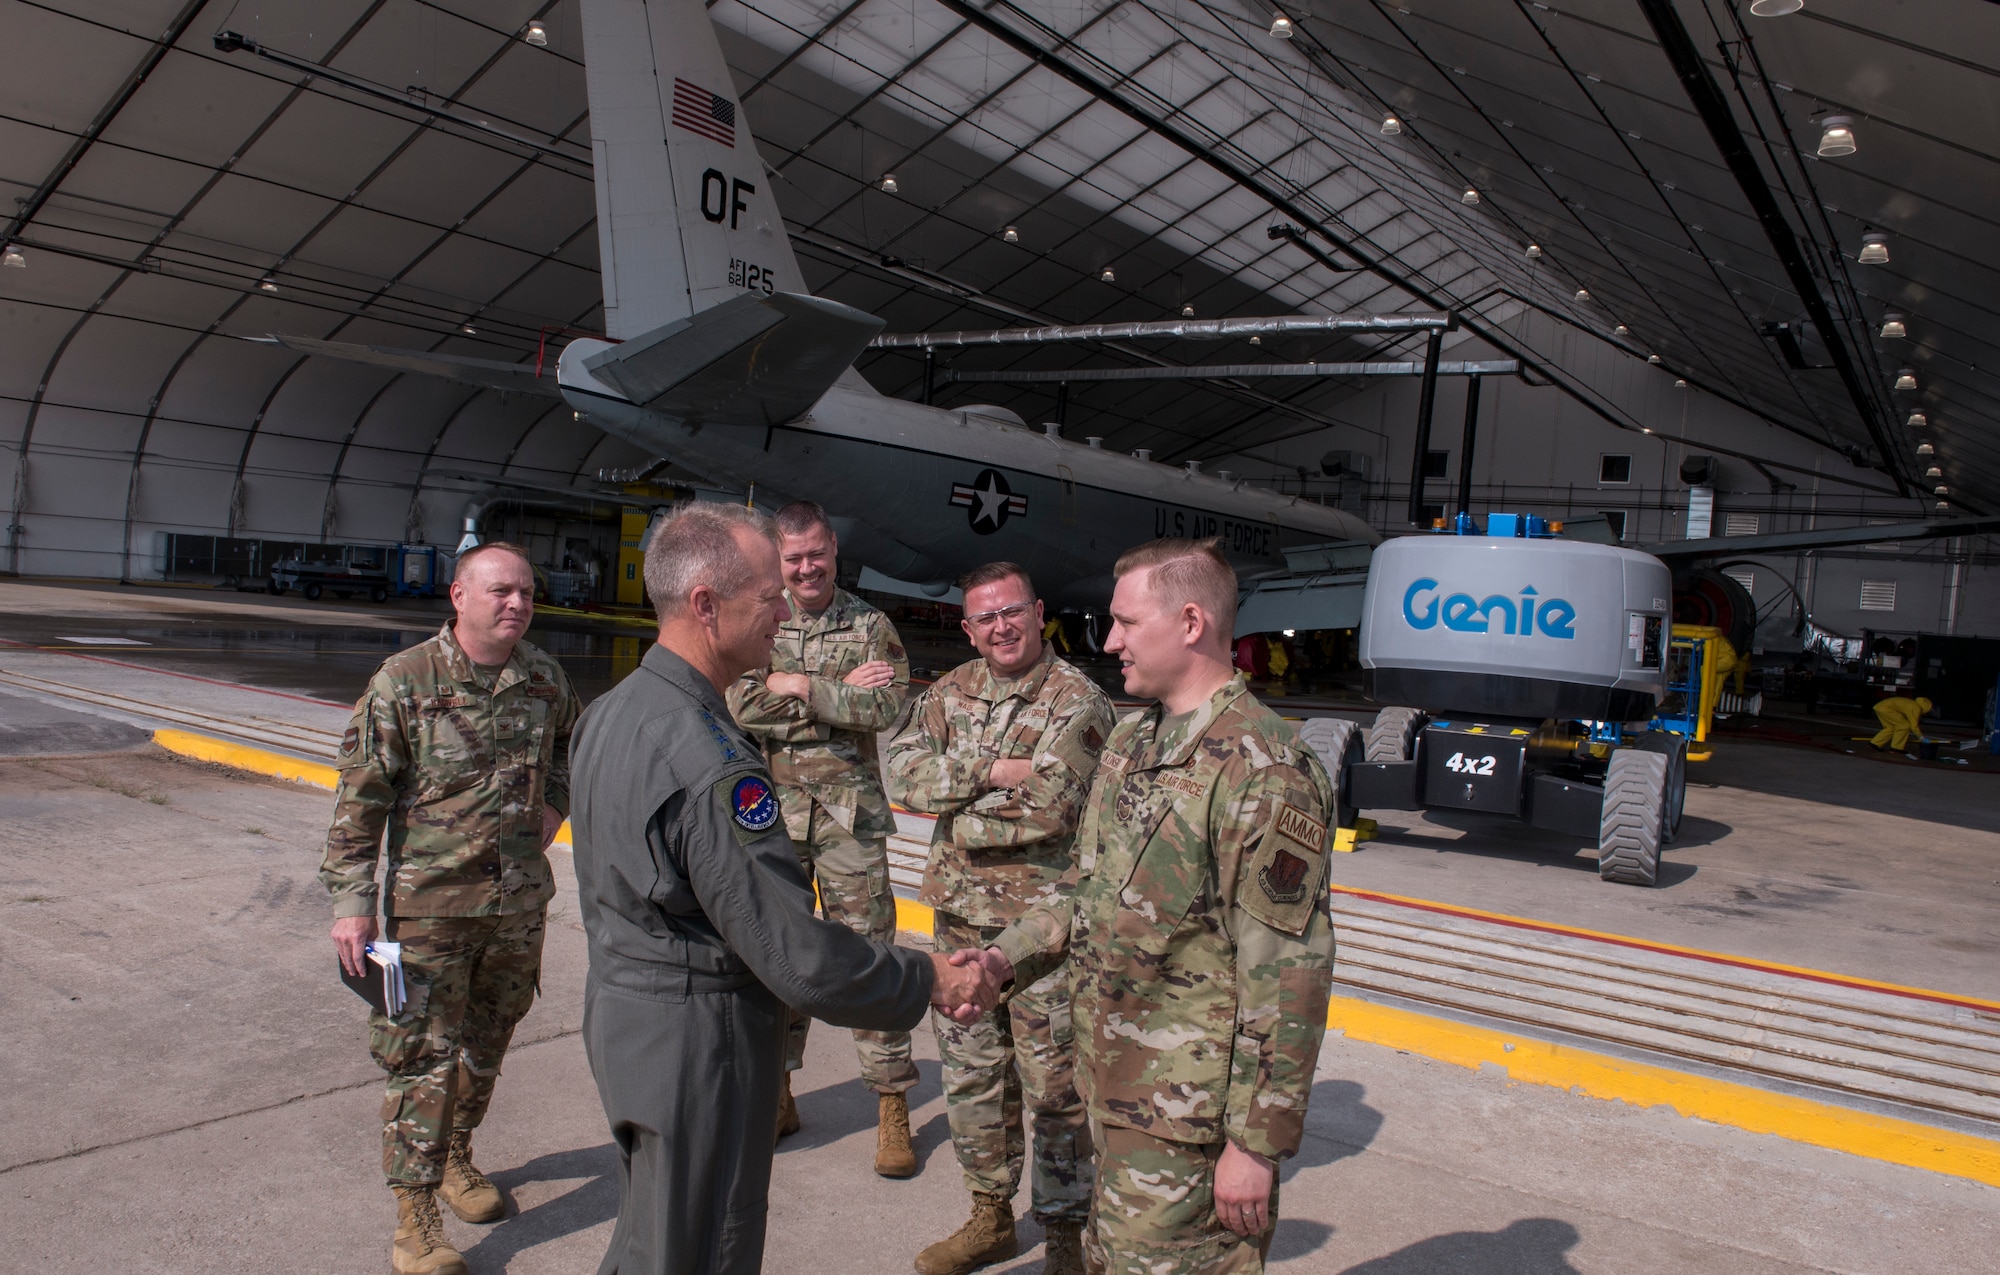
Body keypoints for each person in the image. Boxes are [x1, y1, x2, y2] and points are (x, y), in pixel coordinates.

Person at [568, 501, 997, 1275]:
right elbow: (797, 956)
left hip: (626, 1022)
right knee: (701, 1248)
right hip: (700, 1043)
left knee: (651, 1235)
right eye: (767, 596)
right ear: (706, 604)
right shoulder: (713, 762)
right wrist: (925, 974)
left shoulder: (607, 714)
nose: (782, 611)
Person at [963, 538, 1340, 1275]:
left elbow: (1287, 974)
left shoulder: (1265, 769)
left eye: (1127, 623)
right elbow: (1086, 889)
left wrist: (1255, 1145)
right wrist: (1005, 954)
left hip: (1190, 1127)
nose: (1110, 642)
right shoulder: (1136, 740)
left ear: (1191, 621)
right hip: (1116, 1094)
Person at [323, 541, 582, 1275]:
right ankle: (416, 1217)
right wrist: (352, 902)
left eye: (527, 593)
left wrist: (555, 804)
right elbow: (360, 800)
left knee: (487, 1044)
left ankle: (459, 1154)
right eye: (501, 590)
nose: (517, 604)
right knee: (421, 1058)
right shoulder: (404, 682)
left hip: (517, 906)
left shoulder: (542, 677)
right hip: (427, 912)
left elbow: (568, 744)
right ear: (458, 597)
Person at [886, 563, 1116, 1275]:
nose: (1001, 626)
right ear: (967, 628)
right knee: (972, 1075)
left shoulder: (1080, 700)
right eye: (984, 617)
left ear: (1038, 610)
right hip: (959, 920)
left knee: (1055, 1089)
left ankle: (1065, 1237)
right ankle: (990, 1215)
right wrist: (991, 771)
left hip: (1044, 929)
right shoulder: (949, 692)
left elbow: (1053, 806)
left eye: (1012, 610)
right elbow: (900, 775)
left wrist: (957, 807)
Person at [724, 500, 921, 1174]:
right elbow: (739, 700)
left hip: (849, 819)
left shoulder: (870, 625)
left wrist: (800, 683)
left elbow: (889, 705)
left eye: (817, 554)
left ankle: (891, 1103)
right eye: (794, 558)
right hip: (773, 816)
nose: (807, 567)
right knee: (778, 954)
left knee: (871, 955)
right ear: (778, 560)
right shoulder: (760, 617)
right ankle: (777, 1092)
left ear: (833, 550)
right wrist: (835, 693)